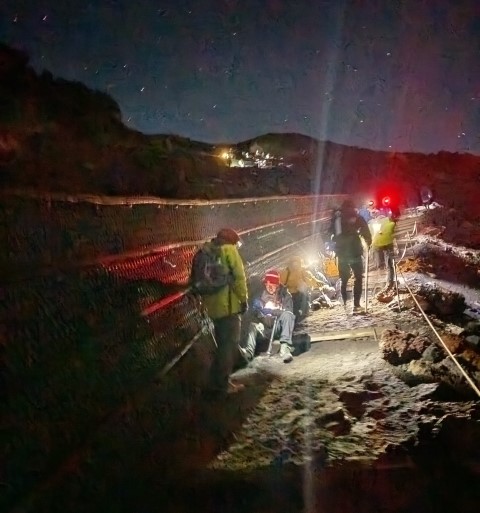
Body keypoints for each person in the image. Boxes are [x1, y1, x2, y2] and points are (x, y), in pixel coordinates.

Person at [198, 228, 248, 396]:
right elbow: (239, 277)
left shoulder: (206, 251)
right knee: (229, 346)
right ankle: (221, 385)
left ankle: (216, 381)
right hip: (229, 306)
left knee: (222, 345)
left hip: (214, 308)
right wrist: (243, 299)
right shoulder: (229, 250)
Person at [239, 269, 295, 364]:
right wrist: (257, 310)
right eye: (267, 285)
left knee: (288, 316)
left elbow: (288, 313)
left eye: (272, 285)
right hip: (265, 327)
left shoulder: (285, 295)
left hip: (278, 327)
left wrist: (272, 311)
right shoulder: (261, 295)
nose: (269, 288)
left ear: (277, 285)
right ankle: (248, 352)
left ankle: (285, 350)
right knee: (253, 326)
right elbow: (254, 312)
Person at [329, 199, 372, 313]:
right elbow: (366, 232)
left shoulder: (337, 218)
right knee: (358, 278)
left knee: (344, 279)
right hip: (355, 253)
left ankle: (344, 302)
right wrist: (368, 242)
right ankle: (356, 304)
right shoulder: (356, 217)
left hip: (341, 253)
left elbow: (330, 233)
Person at [371, 212, 398, 301]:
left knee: (377, 257)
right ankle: (390, 279)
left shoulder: (373, 222)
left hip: (376, 243)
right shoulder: (389, 221)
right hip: (388, 242)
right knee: (390, 263)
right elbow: (393, 229)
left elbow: (369, 233)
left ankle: (378, 265)